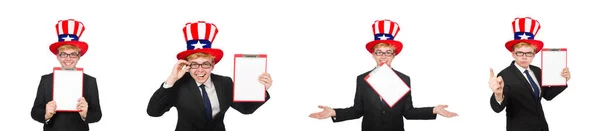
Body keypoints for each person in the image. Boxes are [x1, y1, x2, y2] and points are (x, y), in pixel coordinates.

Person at [309, 19, 458, 131]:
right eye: (379, 52)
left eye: (388, 53)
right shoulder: (362, 79)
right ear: (373, 55)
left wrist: (434, 110)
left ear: (394, 55)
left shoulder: (404, 79)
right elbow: (357, 110)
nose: (383, 56)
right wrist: (335, 112)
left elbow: (408, 112)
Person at [147, 21, 273, 131]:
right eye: (194, 64)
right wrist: (171, 79)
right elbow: (153, 112)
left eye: (205, 64)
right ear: (187, 66)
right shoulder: (178, 85)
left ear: (213, 65)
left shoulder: (225, 83)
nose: (200, 70)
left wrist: (261, 90)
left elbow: (246, 109)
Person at [489, 17, 571, 131]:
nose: (524, 57)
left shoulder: (537, 71)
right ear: (513, 54)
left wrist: (564, 80)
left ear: (534, 55)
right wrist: (498, 94)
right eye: (520, 53)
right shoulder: (504, 75)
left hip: (542, 127)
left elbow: (547, 95)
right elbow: (497, 108)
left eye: (528, 53)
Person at [30, 19, 103, 131]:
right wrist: (45, 114)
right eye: (63, 54)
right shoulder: (46, 80)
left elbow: (97, 115)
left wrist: (85, 114)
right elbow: (34, 112)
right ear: (58, 56)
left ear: (79, 56)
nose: (68, 59)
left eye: (73, 54)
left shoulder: (90, 81)